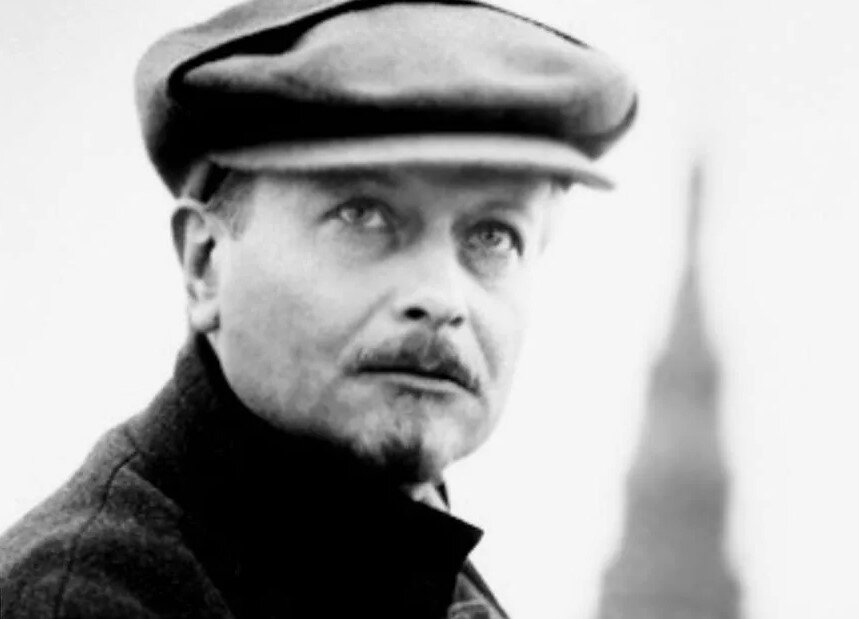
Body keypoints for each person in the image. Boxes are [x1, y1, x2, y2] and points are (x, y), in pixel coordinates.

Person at [0, 1, 636, 617]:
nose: (443, 298)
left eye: (493, 235)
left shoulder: (414, 555)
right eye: (363, 214)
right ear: (205, 263)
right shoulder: (88, 596)